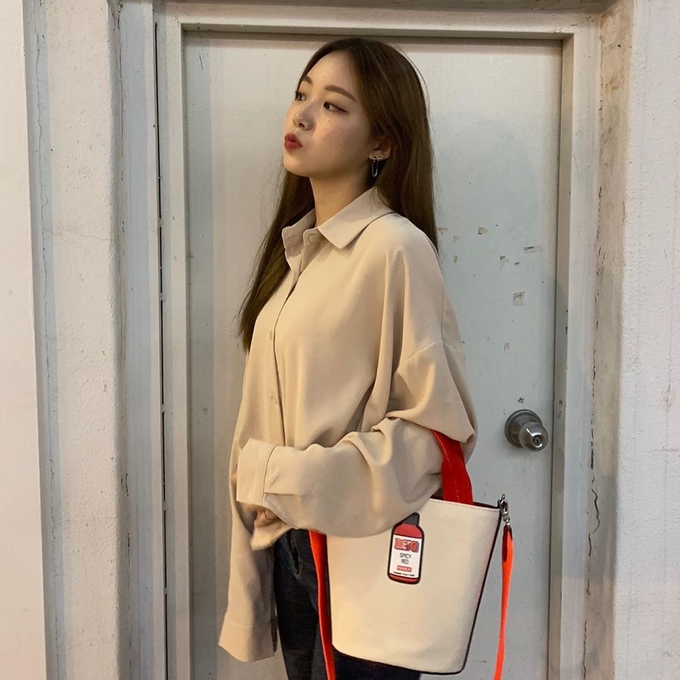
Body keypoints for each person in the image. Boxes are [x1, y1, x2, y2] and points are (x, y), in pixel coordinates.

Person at [219, 36, 478, 680]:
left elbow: (435, 430)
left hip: (360, 550)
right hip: (294, 548)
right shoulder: (297, 255)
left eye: (333, 105)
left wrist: (285, 477)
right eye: (301, 94)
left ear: (381, 142)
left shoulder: (394, 248)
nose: (302, 116)